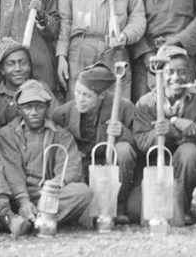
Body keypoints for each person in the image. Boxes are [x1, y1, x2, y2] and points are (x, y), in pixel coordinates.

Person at [0, 79, 92, 232]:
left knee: (83, 192)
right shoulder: (8, 134)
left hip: (50, 196)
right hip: (19, 198)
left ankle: (37, 221)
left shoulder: (61, 135)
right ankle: (30, 218)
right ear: (19, 109)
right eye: (28, 107)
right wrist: (24, 201)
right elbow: (12, 171)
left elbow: (71, 166)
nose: (34, 112)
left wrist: (57, 183)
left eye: (39, 107)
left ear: (47, 107)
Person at [132, 44, 196, 225]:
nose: (176, 77)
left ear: (190, 74)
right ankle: (164, 208)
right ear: (160, 73)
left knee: (189, 151)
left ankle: (181, 208)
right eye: (170, 72)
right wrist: (172, 126)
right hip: (157, 169)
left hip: (187, 169)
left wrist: (174, 131)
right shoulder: (146, 103)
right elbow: (141, 140)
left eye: (182, 72)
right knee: (134, 209)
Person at [51, 62, 136, 224]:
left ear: (102, 96)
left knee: (124, 150)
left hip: (110, 169)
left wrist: (123, 133)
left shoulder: (123, 107)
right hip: (80, 167)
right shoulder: (63, 113)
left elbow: (140, 144)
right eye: (77, 92)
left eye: (87, 95)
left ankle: (119, 205)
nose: (80, 99)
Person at [0, 38, 33, 148]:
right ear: (2, 70)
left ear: (30, 66)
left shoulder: (41, 90)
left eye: (23, 63)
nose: (18, 69)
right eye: (11, 64)